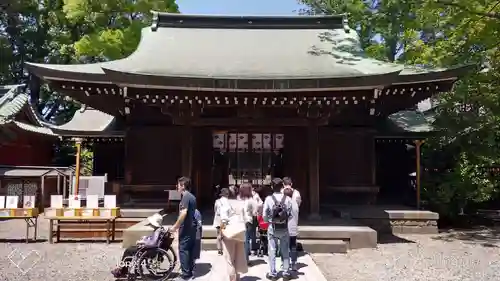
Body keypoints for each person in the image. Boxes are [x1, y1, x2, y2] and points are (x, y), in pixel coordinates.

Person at [111, 213, 166, 278]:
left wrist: (142, 242)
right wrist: (143, 239)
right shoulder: (156, 229)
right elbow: (150, 240)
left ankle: (122, 270)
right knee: (129, 250)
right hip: (148, 247)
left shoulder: (157, 231)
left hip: (148, 249)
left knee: (128, 251)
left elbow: (152, 243)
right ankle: (123, 270)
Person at [263, 178, 293, 280]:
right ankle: (286, 272)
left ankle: (273, 273)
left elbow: (264, 215)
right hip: (284, 228)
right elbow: (291, 215)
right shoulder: (288, 199)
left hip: (272, 227)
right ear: (282, 186)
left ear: (272, 186)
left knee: (272, 250)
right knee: (285, 250)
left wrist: (269, 221)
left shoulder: (268, 199)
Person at [170, 177, 197, 281]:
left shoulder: (186, 197)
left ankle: (185, 274)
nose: (177, 186)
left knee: (183, 249)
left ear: (183, 186)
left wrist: (175, 226)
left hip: (186, 227)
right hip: (192, 227)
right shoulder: (192, 197)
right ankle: (189, 271)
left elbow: (183, 213)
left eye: (178, 185)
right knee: (189, 250)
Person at [220, 186, 248, 281]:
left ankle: (232, 279)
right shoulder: (242, 203)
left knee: (229, 259)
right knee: (239, 257)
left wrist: (220, 232)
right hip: (240, 231)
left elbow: (224, 220)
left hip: (229, 232)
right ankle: (238, 278)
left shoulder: (225, 204)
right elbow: (246, 218)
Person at [239, 182, 258, 263]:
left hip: (238, 221)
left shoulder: (238, 199)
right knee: (246, 240)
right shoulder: (251, 200)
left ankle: (239, 258)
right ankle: (246, 259)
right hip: (248, 221)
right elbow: (255, 212)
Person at [282, 187, 299, 271]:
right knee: (293, 246)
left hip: (286, 228)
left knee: (285, 246)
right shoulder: (295, 204)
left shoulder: (285, 204)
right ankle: (294, 263)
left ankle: (285, 263)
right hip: (294, 227)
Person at [213, 188, 230, 255]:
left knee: (218, 234)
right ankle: (225, 248)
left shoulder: (217, 201)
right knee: (225, 235)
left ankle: (219, 249)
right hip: (225, 219)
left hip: (218, 219)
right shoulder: (228, 202)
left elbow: (215, 210)